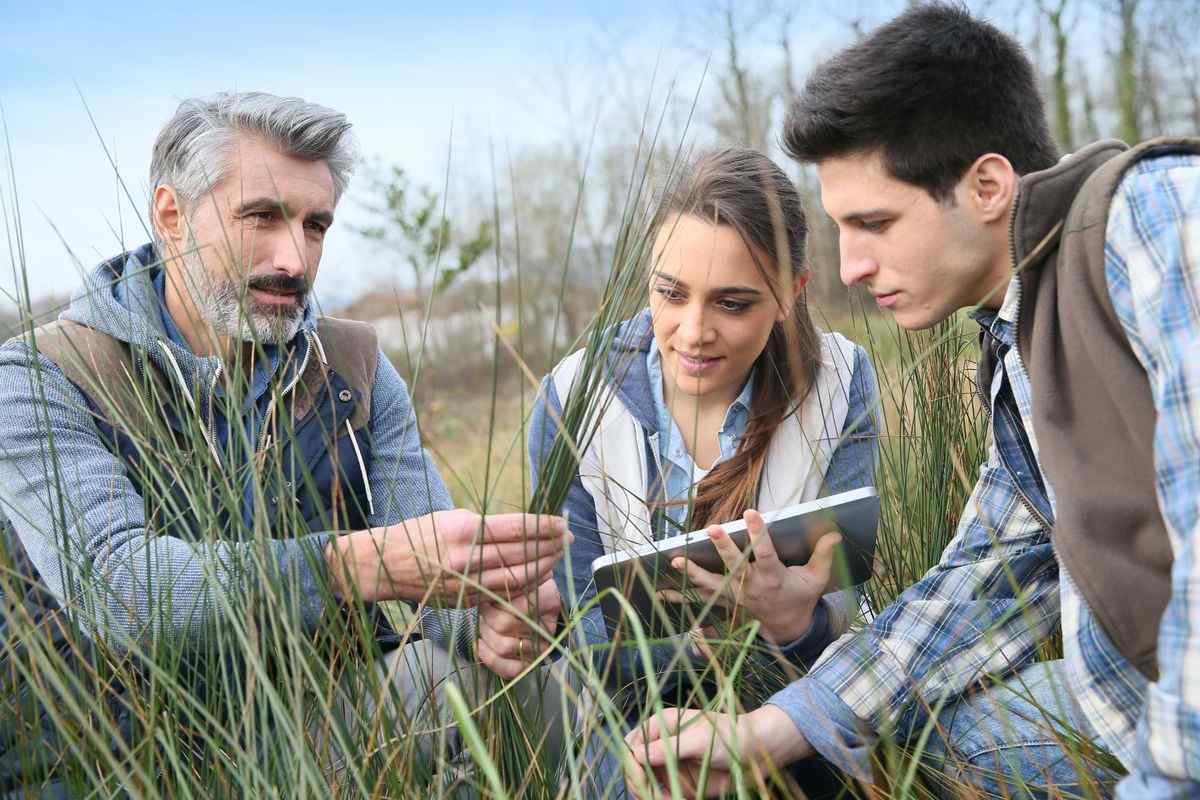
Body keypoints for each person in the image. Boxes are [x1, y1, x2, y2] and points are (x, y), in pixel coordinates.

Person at [624, 4, 1200, 799]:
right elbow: (985, 578)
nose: (851, 266)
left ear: (988, 186)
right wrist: (769, 730)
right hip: (1132, 695)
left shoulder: (1159, 218)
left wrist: (1164, 780)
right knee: (936, 738)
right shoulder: (1024, 340)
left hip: (1182, 724)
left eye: (875, 223)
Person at [0, 91, 566, 796]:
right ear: (171, 215)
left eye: (316, 224)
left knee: (511, 685)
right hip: (113, 765)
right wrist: (348, 566)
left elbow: (433, 564)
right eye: (261, 217)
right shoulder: (40, 377)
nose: (294, 259)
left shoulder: (352, 366)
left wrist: (486, 620)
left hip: (320, 722)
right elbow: (118, 589)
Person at [529, 147, 879, 798]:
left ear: (789, 294)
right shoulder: (568, 398)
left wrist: (794, 627)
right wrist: (705, 649)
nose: (693, 332)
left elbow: (849, 630)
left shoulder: (841, 378)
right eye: (670, 293)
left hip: (790, 707)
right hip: (630, 725)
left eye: (733, 303)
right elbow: (580, 646)